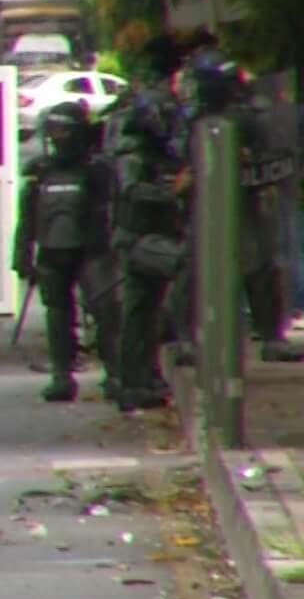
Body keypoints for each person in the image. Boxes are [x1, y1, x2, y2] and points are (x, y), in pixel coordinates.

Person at [182, 48, 298, 362]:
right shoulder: (197, 118)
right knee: (199, 270)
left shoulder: (245, 118)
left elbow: (273, 159)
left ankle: (271, 336)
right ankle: (197, 338)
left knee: (258, 267)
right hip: (208, 205)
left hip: (244, 204)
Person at [13, 103, 119, 402]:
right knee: (58, 315)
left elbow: (114, 211)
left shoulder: (97, 170)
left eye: (62, 131)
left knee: (104, 311)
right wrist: (22, 253)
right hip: (52, 251)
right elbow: (28, 216)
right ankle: (61, 375)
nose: (56, 138)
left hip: (92, 249)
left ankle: (115, 374)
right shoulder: (41, 171)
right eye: (52, 132)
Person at [112, 90, 186, 412]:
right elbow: (132, 190)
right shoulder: (132, 156)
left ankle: (145, 378)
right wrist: (171, 192)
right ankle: (132, 382)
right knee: (138, 315)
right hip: (138, 240)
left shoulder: (159, 155)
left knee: (146, 315)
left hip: (152, 236)